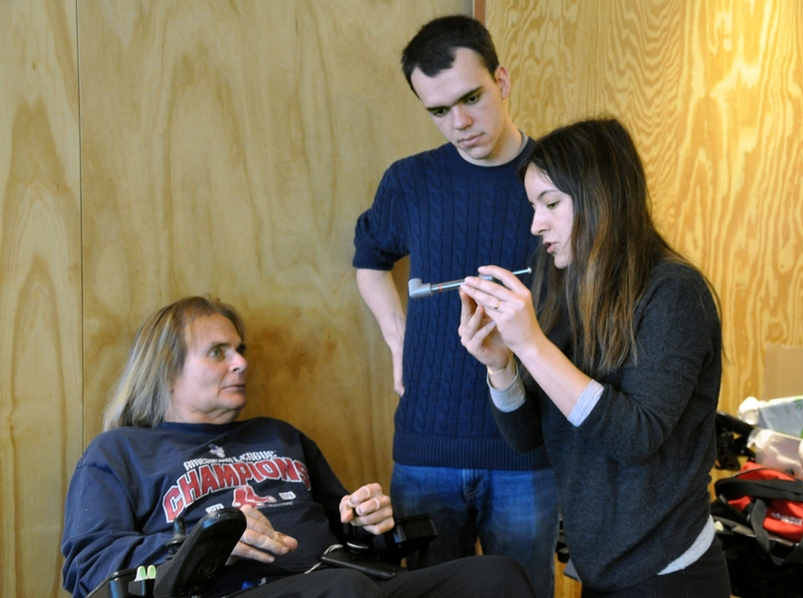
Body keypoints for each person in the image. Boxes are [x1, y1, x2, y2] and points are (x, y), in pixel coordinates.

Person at [61, 296, 537, 598]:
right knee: (342, 590)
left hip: (345, 580)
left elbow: (348, 535)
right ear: (165, 370)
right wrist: (207, 543)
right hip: (234, 592)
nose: (241, 363)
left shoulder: (279, 436)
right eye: (218, 353)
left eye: (240, 349)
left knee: (496, 577)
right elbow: (88, 571)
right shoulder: (118, 453)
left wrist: (365, 522)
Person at [457, 117, 732, 597]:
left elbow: (635, 436)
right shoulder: (568, 290)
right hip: (602, 571)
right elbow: (529, 438)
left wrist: (532, 346)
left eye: (551, 203)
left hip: (670, 575)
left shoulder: (673, 293)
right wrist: (501, 366)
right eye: (533, 205)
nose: (535, 223)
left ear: (600, 197)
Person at [352, 14, 557, 597]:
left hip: (528, 450)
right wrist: (400, 339)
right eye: (439, 111)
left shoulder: (557, 176)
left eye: (472, 98)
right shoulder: (410, 181)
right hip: (425, 449)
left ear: (504, 80)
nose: (460, 123)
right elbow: (369, 260)